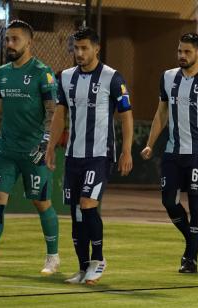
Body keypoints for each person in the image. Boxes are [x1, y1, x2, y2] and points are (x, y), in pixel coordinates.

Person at [0, 20, 60, 275]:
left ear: (29, 42)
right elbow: (0, 108)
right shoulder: (3, 72)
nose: (9, 44)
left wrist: (45, 143)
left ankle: (53, 258)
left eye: (15, 39)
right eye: (7, 39)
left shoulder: (43, 72)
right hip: (5, 150)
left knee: (41, 203)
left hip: (33, 151)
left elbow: (52, 111)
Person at [46, 27, 133, 284]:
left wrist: (127, 150)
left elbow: (126, 116)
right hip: (74, 155)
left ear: (97, 49)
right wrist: (51, 147)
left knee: (88, 204)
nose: (79, 53)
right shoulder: (65, 78)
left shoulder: (112, 78)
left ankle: (98, 259)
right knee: (75, 211)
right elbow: (59, 115)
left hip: (99, 154)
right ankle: (83, 268)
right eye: (76, 48)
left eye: (85, 48)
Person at [141, 33, 198, 273]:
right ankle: (192, 240)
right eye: (180, 51)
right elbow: (161, 113)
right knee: (168, 201)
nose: (182, 55)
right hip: (173, 152)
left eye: (187, 52)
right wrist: (150, 143)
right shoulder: (168, 77)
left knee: (196, 205)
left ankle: (189, 258)